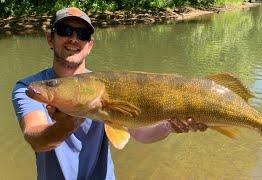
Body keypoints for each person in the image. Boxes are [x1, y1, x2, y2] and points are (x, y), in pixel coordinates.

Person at [11, 7, 207, 180]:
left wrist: (169, 125)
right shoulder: (29, 87)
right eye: (65, 31)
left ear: (90, 45)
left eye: (83, 34)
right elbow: (37, 140)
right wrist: (66, 126)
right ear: (50, 39)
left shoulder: (105, 87)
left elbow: (140, 134)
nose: (73, 39)